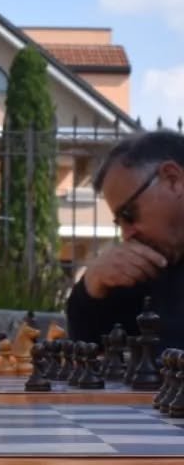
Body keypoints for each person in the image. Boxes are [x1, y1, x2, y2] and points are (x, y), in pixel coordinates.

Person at [66, 129, 184, 351]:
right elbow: (88, 355)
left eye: (129, 215)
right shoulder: (150, 264)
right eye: (118, 222)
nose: (126, 235)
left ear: (172, 179)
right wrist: (91, 289)